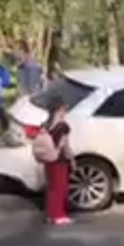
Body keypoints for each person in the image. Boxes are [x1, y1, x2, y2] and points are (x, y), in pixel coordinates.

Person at [41, 97, 73, 226]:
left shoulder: (47, 124)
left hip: (48, 159)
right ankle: (59, 215)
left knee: (52, 188)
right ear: (59, 109)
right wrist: (71, 158)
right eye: (64, 109)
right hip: (59, 159)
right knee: (61, 188)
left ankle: (51, 214)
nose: (65, 111)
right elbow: (64, 145)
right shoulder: (63, 126)